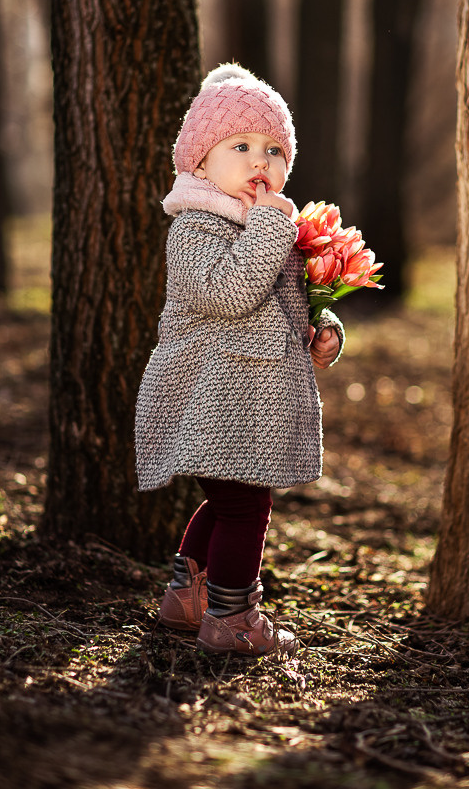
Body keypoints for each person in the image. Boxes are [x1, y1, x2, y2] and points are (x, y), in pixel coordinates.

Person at [135, 64, 343, 657]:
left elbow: (288, 301)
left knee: (231, 502)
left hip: (247, 402)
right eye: (241, 146)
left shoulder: (264, 225)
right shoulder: (195, 226)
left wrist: (324, 330)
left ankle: (187, 597)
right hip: (210, 399)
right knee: (244, 508)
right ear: (200, 164)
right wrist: (272, 226)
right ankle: (232, 619)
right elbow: (229, 293)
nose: (260, 162)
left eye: (274, 150)